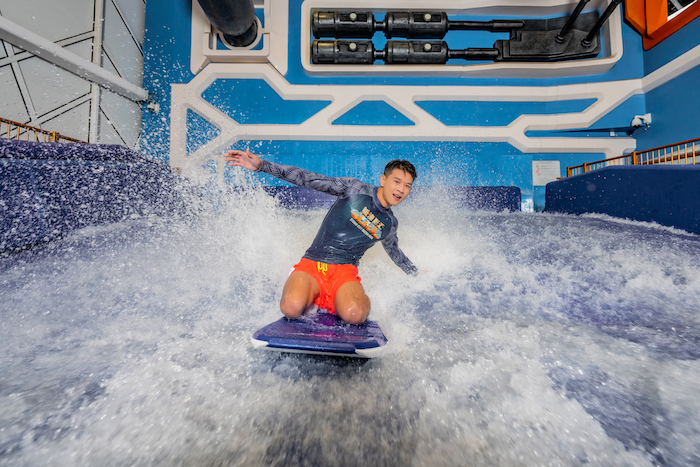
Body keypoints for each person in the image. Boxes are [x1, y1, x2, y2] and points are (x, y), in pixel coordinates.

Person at [223, 149, 417, 325]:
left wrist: (417, 274)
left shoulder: (390, 224)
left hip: (344, 272)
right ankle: (309, 291)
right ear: (383, 180)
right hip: (313, 263)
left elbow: (395, 252)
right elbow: (307, 178)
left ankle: (358, 298)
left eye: (407, 186)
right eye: (397, 181)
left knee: (354, 315)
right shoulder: (355, 189)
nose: (401, 189)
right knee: (291, 308)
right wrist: (262, 166)